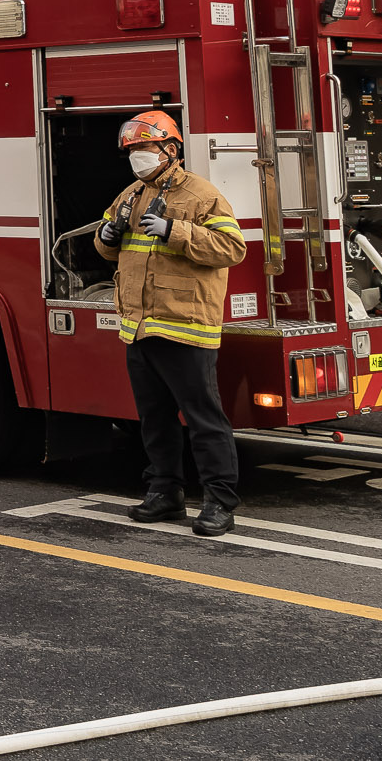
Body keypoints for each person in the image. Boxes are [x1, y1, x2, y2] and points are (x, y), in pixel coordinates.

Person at [95, 108, 247, 538]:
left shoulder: (201, 196)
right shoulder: (131, 194)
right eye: (132, 150)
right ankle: (165, 492)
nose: (137, 157)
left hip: (185, 326)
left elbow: (231, 248)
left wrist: (174, 231)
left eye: (143, 148)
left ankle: (219, 502)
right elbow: (108, 243)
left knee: (204, 420)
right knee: (154, 419)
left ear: (170, 149)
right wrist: (105, 239)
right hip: (140, 327)